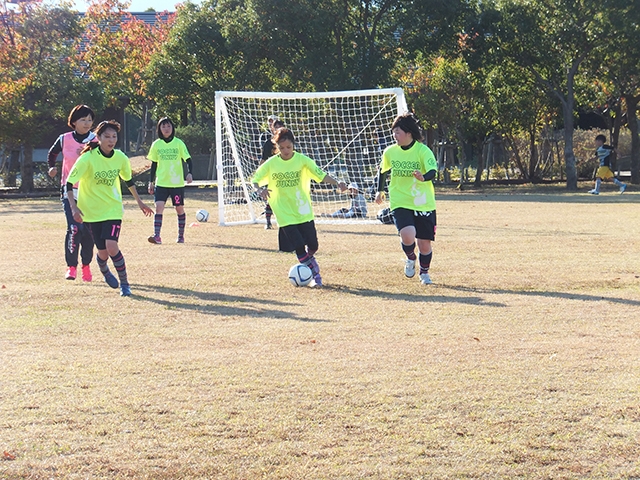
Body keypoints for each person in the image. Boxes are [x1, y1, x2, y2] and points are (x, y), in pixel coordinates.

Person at [66, 120, 154, 296]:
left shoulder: (120, 157)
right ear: (98, 137)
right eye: (107, 136)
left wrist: (140, 202)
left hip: (112, 209)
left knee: (112, 246)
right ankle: (104, 269)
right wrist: (74, 208)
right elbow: (68, 183)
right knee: (103, 252)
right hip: (90, 213)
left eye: (114, 136)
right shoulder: (88, 158)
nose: (111, 140)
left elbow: (128, 180)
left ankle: (125, 284)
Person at [252, 127, 347, 287]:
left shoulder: (302, 160)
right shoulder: (272, 163)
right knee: (298, 246)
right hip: (283, 212)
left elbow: (320, 174)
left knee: (313, 245)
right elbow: (255, 179)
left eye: (288, 147)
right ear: (277, 147)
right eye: (281, 148)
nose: (285, 151)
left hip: (302, 210)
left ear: (293, 145)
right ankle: (314, 273)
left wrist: (337, 182)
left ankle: (307, 261)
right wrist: (260, 189)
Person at [375, 112, 438, 285]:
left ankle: (424, 273)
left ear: (409, 133)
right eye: (393, 132)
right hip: (400, 200)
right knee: (407, 235)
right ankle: (410, 258)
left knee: (424, 244)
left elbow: (433, 171)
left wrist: (423, 177)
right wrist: (379, 191)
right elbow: (383, 171)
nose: (395, 136)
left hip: (423, 202)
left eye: (398, 133)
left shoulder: (423, 151)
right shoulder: (390, 152)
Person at [47, 105, 97, 282]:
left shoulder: (95, 140)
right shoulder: (64, 139)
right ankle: (72, 267)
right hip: (69, 191)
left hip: (90, 192)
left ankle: (86, 266)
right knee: (75, 228)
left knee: (89, 232)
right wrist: (52, 168)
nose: (87, 123)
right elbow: (52, 154)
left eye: (90, 120)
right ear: (74, 121)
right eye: (83, 119)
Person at [147, 117, 193, 244]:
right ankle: (157, 236)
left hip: (176, 183)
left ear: (172, 128)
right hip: (161, 182)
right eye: (163, 127)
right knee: (159, 208)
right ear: (159, 129)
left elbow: (188, 159)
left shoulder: (179, 143)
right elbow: (154, 164)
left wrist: (189, 173)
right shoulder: (156, 144)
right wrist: (151, 182)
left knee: (179, 209)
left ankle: (181, 236)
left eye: (168, 126)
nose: (166, 129)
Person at [260, 118, 285, 229]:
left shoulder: (287, 142)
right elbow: (263, 159)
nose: (278, 129)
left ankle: (286, 220)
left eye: (280, 127)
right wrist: (260, 173)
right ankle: (268, 222)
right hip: (272, 175)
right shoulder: (268, 143)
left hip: (285, 174)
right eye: (276, 127)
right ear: (272, 128)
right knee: (271, 197)